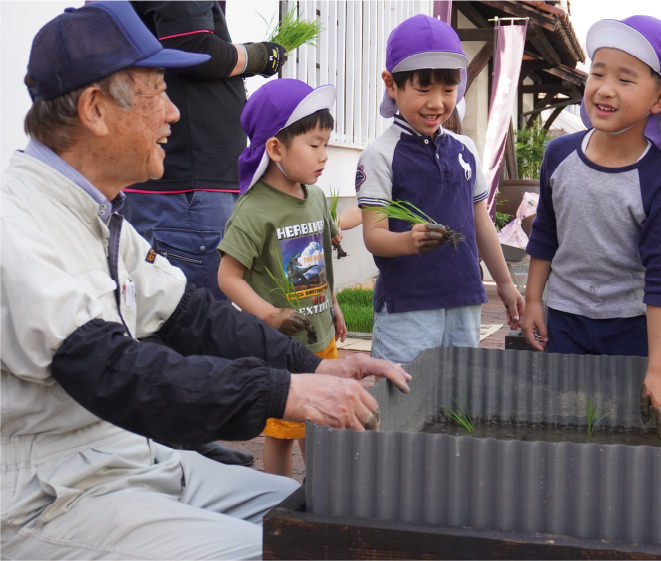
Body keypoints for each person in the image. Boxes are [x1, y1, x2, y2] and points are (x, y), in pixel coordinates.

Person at [1, 3, 411, 558]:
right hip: (51, 492)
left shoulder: (100, 213)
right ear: (95, 109)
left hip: (132, 458)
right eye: (157, 92)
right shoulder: (19, 223)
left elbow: (193, 316)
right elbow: (115, 372)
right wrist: (285, 392)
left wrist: (318, 366)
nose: (173, 113)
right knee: (297, 550)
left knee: (334, 520)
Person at [124, 1, 285, 466]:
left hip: (183, 186)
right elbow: (190, 46)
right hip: (188, 188)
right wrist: (258, 57)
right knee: (188, 320)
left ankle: (180, 443)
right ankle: (181, 454)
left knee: (169, 317)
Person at [521, 15, 661, 439]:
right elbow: (545, 234)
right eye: (598, 72)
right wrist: (534, 301)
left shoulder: (658, 181)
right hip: (564, 317)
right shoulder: (559, 156)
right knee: (561, 423)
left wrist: (657, 369)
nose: (605, 88)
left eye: (625, 79)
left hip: (628, 324)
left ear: (660, 99)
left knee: (620, 429)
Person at [355, 14, 524, 365]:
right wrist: (408, 241)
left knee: (457, 399)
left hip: (464, 299)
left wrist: (505, 283)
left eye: (448, 90)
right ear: (391, 84)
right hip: (408, 307)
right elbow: (373, 235)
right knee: (402, 402)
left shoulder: (465, 149)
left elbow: (481, 223)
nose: (437, 103)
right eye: (423, 89)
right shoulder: (380, 155)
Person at [218, 78, 347, 476]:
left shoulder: (317, 198)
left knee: (319, 423)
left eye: (327, 143)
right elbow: (228, 276)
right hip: (280, 347)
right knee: (283, 431)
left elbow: (321, 263)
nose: (324, 155)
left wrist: (336, 308)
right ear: (275, 148)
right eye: (314, 144)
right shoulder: (253, 210)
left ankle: (320, 498)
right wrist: (270, 315)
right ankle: (281, 500)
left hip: (320, 338)